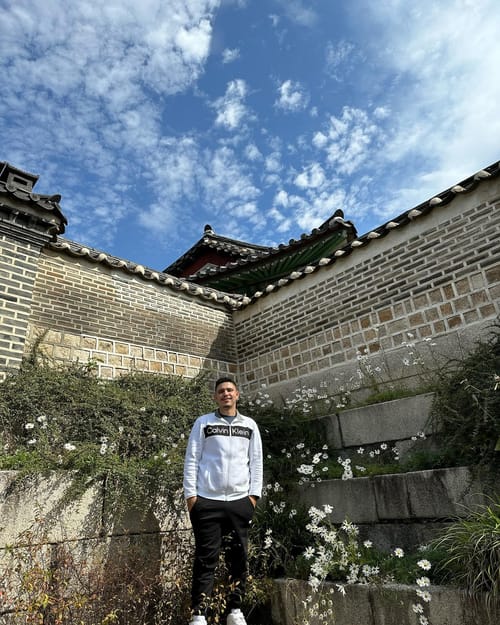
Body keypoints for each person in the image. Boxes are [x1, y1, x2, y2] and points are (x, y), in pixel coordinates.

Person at [183, 377, 263, 625]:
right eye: (221, 391)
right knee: (206, 559)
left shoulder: (249, 425)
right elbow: (192, 459)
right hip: (207, 501)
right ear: (215, 397)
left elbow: (256, 461)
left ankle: (235, 611)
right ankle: (199, 614)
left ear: (237, 395)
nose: (226, 394)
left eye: (230, 390)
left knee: (239, 558)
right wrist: (191, 496)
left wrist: (253, 497)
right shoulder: (203, 423)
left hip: (240, 501)